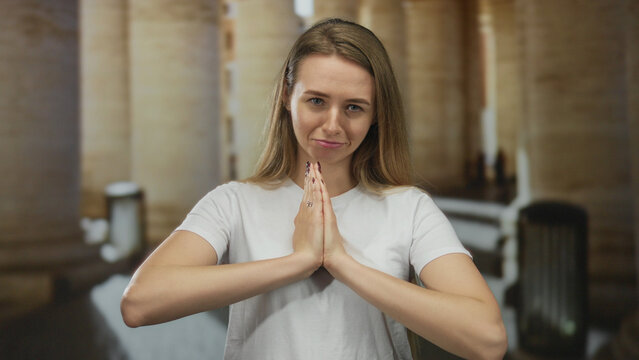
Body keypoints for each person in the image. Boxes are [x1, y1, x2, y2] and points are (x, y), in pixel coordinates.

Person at [121, 18, 507, 360]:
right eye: (317, 101)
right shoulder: (233, 203)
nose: (332, 125)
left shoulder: (409, 208)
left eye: (354, 107)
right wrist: (298, 262)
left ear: (376, 117)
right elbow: (139, 304)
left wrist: (342, 263)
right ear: (287, 100)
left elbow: (488, 340)